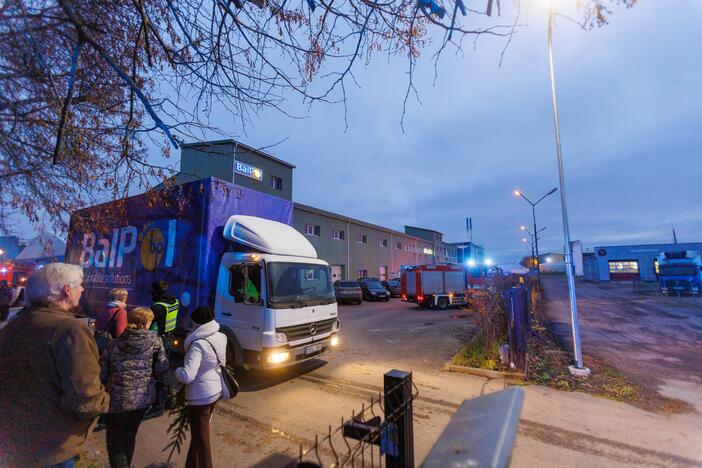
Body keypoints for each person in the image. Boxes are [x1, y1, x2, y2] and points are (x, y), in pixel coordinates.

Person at [0, 263, 109, 467]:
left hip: (14, 439)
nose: (83, 289)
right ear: (67, 289)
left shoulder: (13, 326)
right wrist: (106, 400)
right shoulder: (70, 330)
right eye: (79, 285)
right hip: (51, 446)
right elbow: (85, 398)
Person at [100, 307, 169, 468]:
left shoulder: (114, 343)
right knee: (130, 436)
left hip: (117, 400)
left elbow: (102, 372)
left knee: (115, 442)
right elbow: (161, 369)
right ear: (145, 324)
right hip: (142, 401)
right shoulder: (155, 341)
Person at [175, 306, 227, 468]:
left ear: (196, 322)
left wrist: (177, 371)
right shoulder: (221, 336)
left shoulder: (197, 344)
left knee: (202, 440)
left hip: (200, 397)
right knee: (198, 436)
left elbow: (188, 375)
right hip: (216, 390)